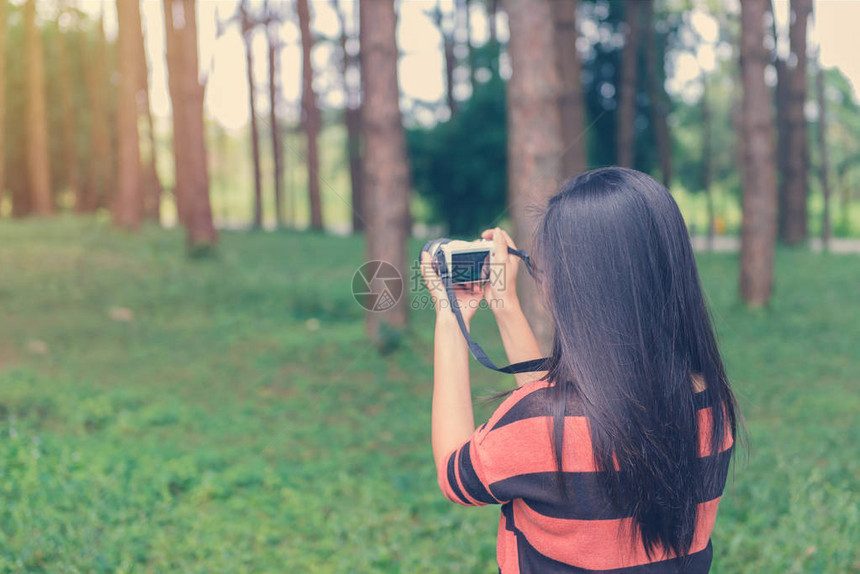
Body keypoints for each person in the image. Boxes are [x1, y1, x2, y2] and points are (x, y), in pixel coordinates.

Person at [420, 167, 742, 574]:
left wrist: (450, 317)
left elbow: (455, 474)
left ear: (579, 285)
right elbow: (563, 425)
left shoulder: (540, 425)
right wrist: (504, 305)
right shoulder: (712, 405)